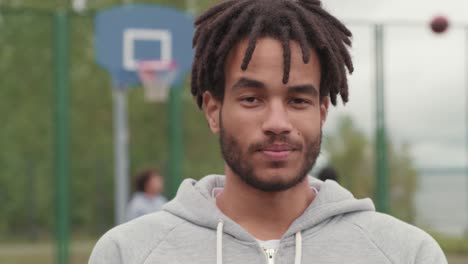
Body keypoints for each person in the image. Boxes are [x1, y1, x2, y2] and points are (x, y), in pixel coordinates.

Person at [89, 0, 446, 263]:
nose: (277, 122)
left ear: (322, 112)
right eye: (251, 98)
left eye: (298, 101)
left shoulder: (406, 253)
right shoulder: (128, 253)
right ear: (214, 112)